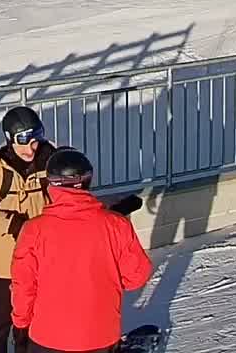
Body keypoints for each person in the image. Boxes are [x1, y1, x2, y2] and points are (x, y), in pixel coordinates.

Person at [11, 148, 153, 353]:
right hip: (101, 334)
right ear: (88, 181)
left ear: (52, 184)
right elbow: (137, 276)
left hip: (48, 336)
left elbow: (23, 286)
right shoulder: (116, 225)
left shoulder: (35, 230)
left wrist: (20, 324)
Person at [0, 107, 54, 353]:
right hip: (7, 258)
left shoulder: (52, 162)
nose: (31, 149)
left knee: (39, 314)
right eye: (23, 142)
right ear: (9, 139)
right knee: (2, 314)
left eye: (36, 139)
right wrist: (12, 223)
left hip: (43, 254)